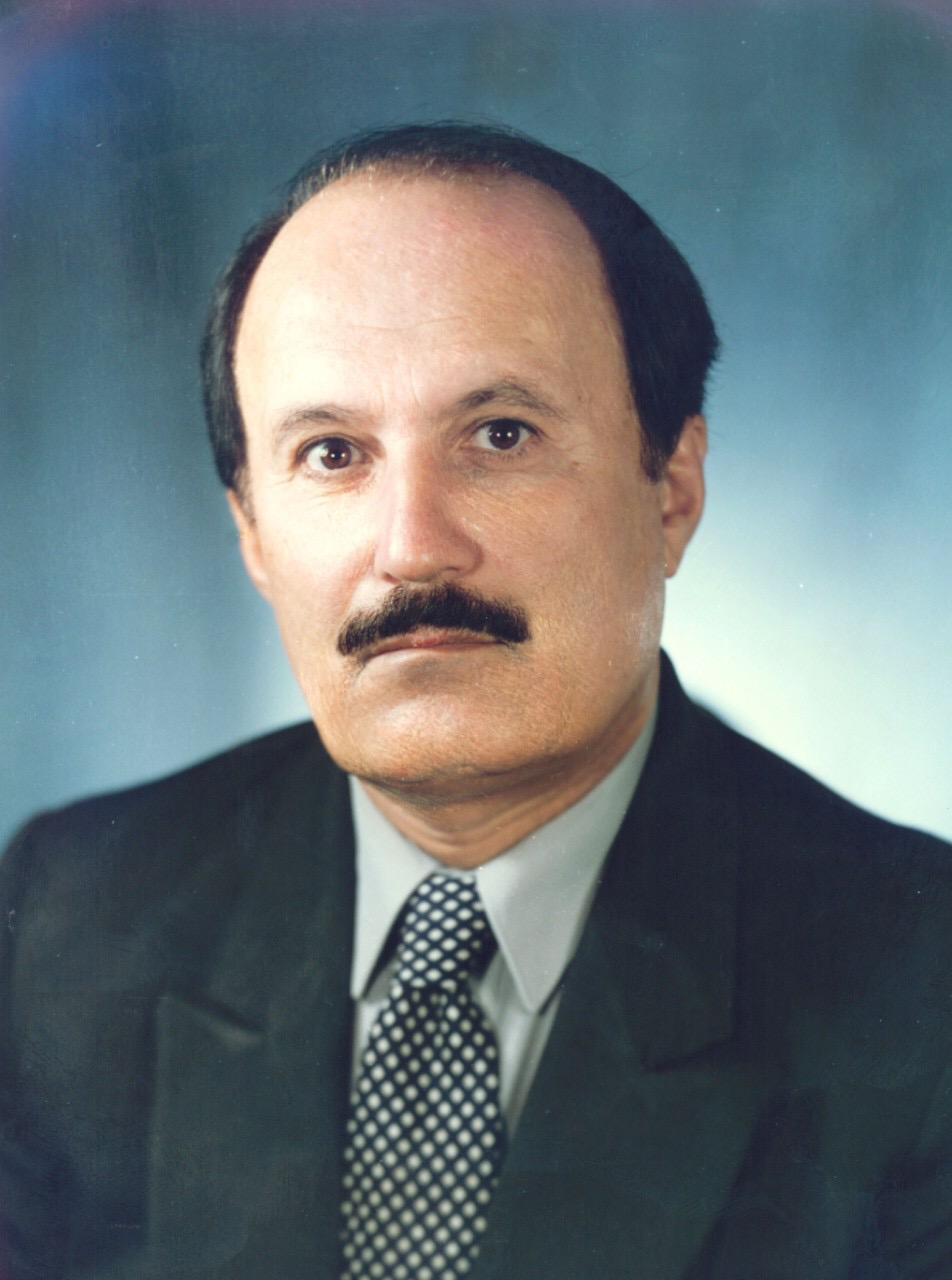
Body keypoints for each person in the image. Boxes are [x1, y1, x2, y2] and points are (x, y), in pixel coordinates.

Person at [1, 122, 950, 1280]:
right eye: (332, 453)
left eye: (500, 435)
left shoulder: (920, 989)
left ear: (671, 488)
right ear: (250, 529)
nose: (412, 547)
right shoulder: (68, 926)